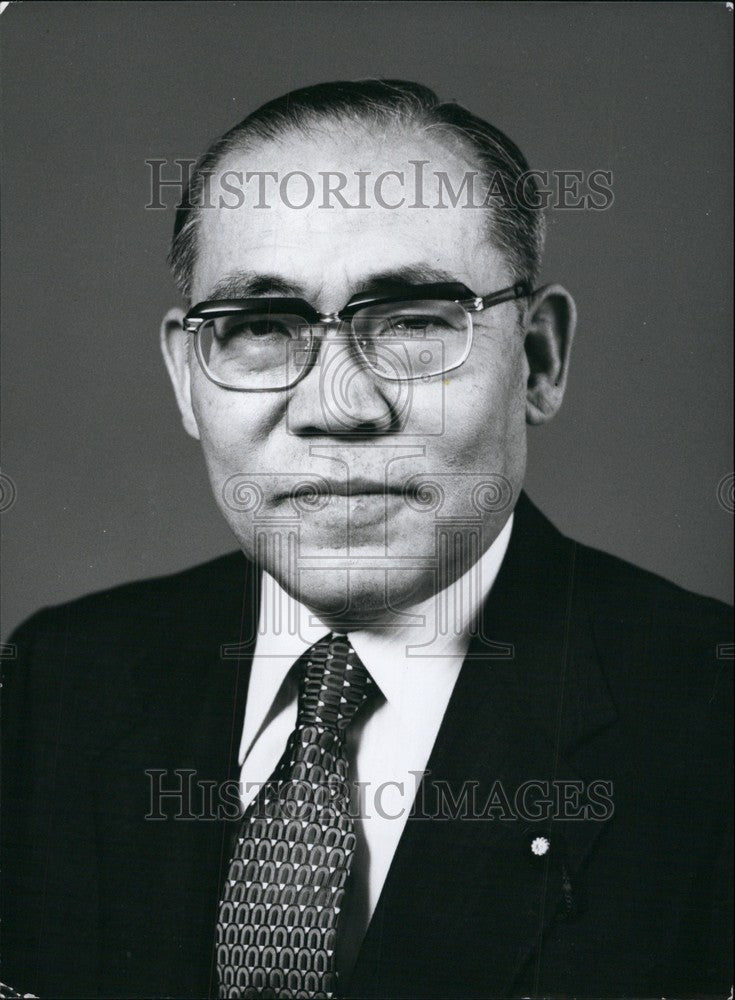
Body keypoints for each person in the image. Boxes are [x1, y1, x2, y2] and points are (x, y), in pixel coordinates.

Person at [1, 80, 731, 1000]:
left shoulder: (707, 719)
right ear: (189, 380)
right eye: (262, 327)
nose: (337, 407)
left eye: (416, 323)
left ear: (540, 361)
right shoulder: (55, 682)